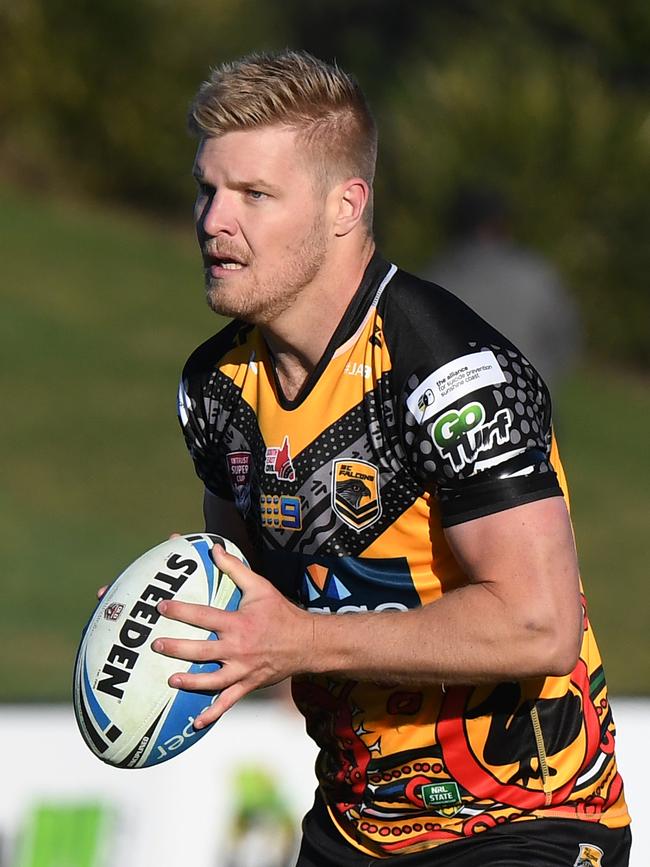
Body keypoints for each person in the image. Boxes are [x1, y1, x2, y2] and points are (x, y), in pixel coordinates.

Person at [155, 51, 630, 865]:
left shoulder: (450, 375)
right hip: (352, 825)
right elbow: (249, 600)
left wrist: (300, 640)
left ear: (347, 206)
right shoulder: (216, 391)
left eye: (254, 195)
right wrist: (169, 629)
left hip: (525, 819)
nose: (212, 221)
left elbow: (539, 623)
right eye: (208, 188)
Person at [424, 187, 582, 393]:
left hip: (456, 412)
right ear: (498, 225)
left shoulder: (431, 281)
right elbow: (566, 342)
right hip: (528, 406)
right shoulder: (535, 276)